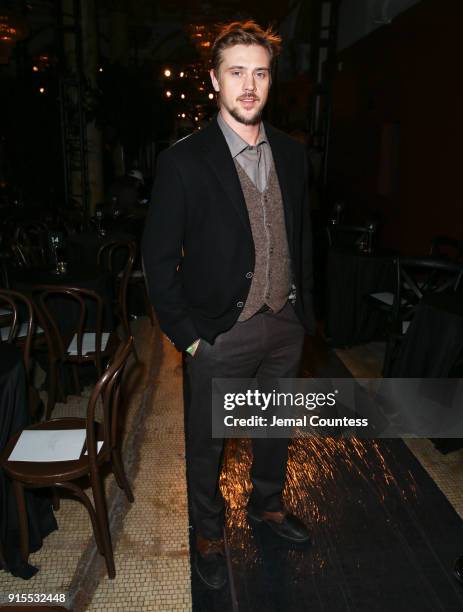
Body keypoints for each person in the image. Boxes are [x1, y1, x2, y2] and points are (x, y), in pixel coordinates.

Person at [142, 21, 316, 590]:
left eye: (260, 73)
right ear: (215, 80)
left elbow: (303, 235)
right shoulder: (184, 160)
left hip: (284, 324)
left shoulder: (291, 154)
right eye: (236, 72)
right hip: (219, 331)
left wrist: (303, 312)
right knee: (207, 443)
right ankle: (208, 532)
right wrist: (188, 337)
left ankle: (267, 506)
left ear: (271, 81)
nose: (249, 85)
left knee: (275, 427)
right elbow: (158, 258)